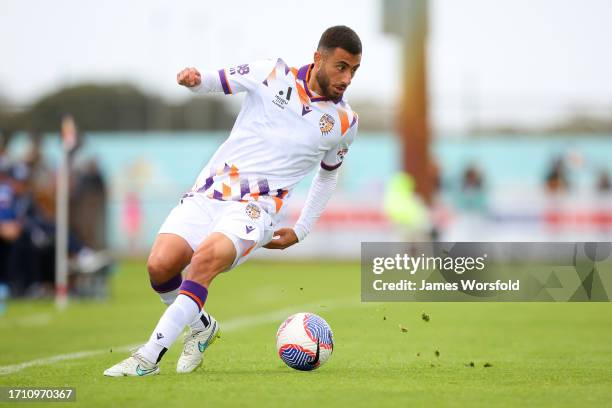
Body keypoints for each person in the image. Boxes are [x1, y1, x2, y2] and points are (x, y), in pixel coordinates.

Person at [104, 25, 362, 376]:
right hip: (211, 190)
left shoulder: (344, 121)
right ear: (319, 58)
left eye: (354, 71)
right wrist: (195, 80)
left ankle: (148, 357)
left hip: (257, 208)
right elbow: (217, 80)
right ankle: (202, 327)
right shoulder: (272, 73)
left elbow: (328, 174)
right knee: (160, 267)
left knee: (204, 260)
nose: (347, 78)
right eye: (341, 66)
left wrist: (302, 229)